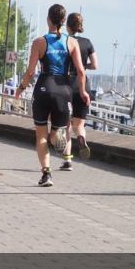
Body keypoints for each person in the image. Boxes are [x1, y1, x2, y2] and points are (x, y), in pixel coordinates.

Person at [15, 4, 89, 188]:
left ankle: (46, 174)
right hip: (64, 91)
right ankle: (57, 139)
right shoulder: (71, 42)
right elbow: (81, 71)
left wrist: (21, 88)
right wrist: (82, 91)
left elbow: (30, 72)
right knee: (56, 132)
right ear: (63, 21)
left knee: (41, 135)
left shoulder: (39, 42)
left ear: (48, 19)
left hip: (43, 88)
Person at [60, 12, 97, 170]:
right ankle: (81, 137)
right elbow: (95, 65)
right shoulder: (87, 42)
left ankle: (67, 160)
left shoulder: (64, 41)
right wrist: (82, 65)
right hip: (83, 86)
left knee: (66, 125)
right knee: (79, 125)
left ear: (67, 26)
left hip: (67, 85)